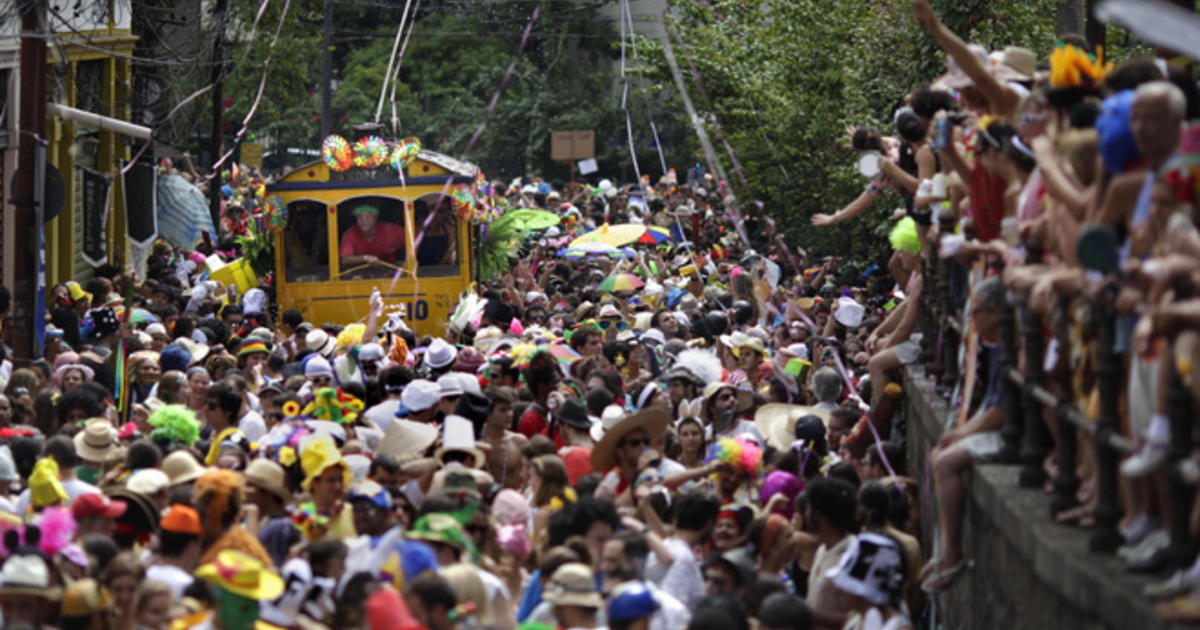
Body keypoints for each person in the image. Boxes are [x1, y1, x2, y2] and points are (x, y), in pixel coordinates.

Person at [340, 205, 406, 268]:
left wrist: (408, 262)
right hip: (359, 273)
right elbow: (345, 259)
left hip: (391, 272)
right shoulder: (349, 234)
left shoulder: (392, 230)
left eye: (368, 217)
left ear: (375, 218)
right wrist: (365, 258)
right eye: (360, 217)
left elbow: (413, 243)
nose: (364, 221)